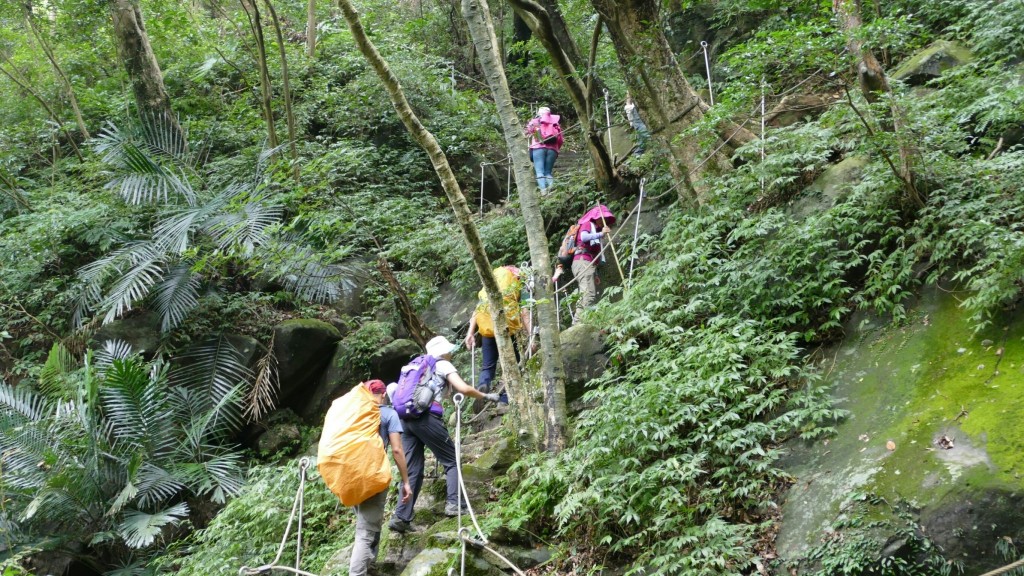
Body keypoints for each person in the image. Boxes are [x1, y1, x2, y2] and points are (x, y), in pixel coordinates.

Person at [388, 336, 500, 533]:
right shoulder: (441, 364)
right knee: (452, 461)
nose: (451, 354)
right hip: (426, 418)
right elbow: (464, 388)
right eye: (449, 351)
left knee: (412, 470)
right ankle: (454, 504)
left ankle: (401, 517)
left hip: (405, 421)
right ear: (443, 352)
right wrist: (486, 396)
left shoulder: (415, 366)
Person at [350, 380, 412, 576]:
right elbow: (396, 449)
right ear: (383, 394)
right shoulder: (388, 414)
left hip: (351, 477)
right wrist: (406, 481)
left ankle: (370, 568)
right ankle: (357, 573)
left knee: (368, 523)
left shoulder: (355, 414)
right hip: (373, 476)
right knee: (365, 532)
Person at [463, 266, 531, 395]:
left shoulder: (491, 280)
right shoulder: (518, 281)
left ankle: (483, 385)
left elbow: (478, 309)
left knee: (487, 366)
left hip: (487, 326)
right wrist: (531, 335)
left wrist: (470, 333)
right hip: (508, 326)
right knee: (514, 365)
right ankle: (505, 397)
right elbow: (524, 312)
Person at [571, 204, 616, 323]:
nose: (605, 221)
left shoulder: (595, 229)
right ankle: (578, 323)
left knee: (587, 293)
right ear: (596, 217)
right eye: (603, 218)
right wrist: (601, 233)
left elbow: (593, 254)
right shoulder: (587, 224)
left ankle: (581, 321)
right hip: (582, 261)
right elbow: (584, 237)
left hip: (586, 263)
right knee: (588, 294)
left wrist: (595, 274)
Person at [524, 106, 564, 191]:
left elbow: (527, 132)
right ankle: (552, 189)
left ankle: (543, 191)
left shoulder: (534, 121)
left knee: (539, 171)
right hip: (552, 149)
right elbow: (560, 139)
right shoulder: (555, 123)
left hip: (538, 148)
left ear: (539, 113)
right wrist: (556, 149)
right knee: (548, 172)